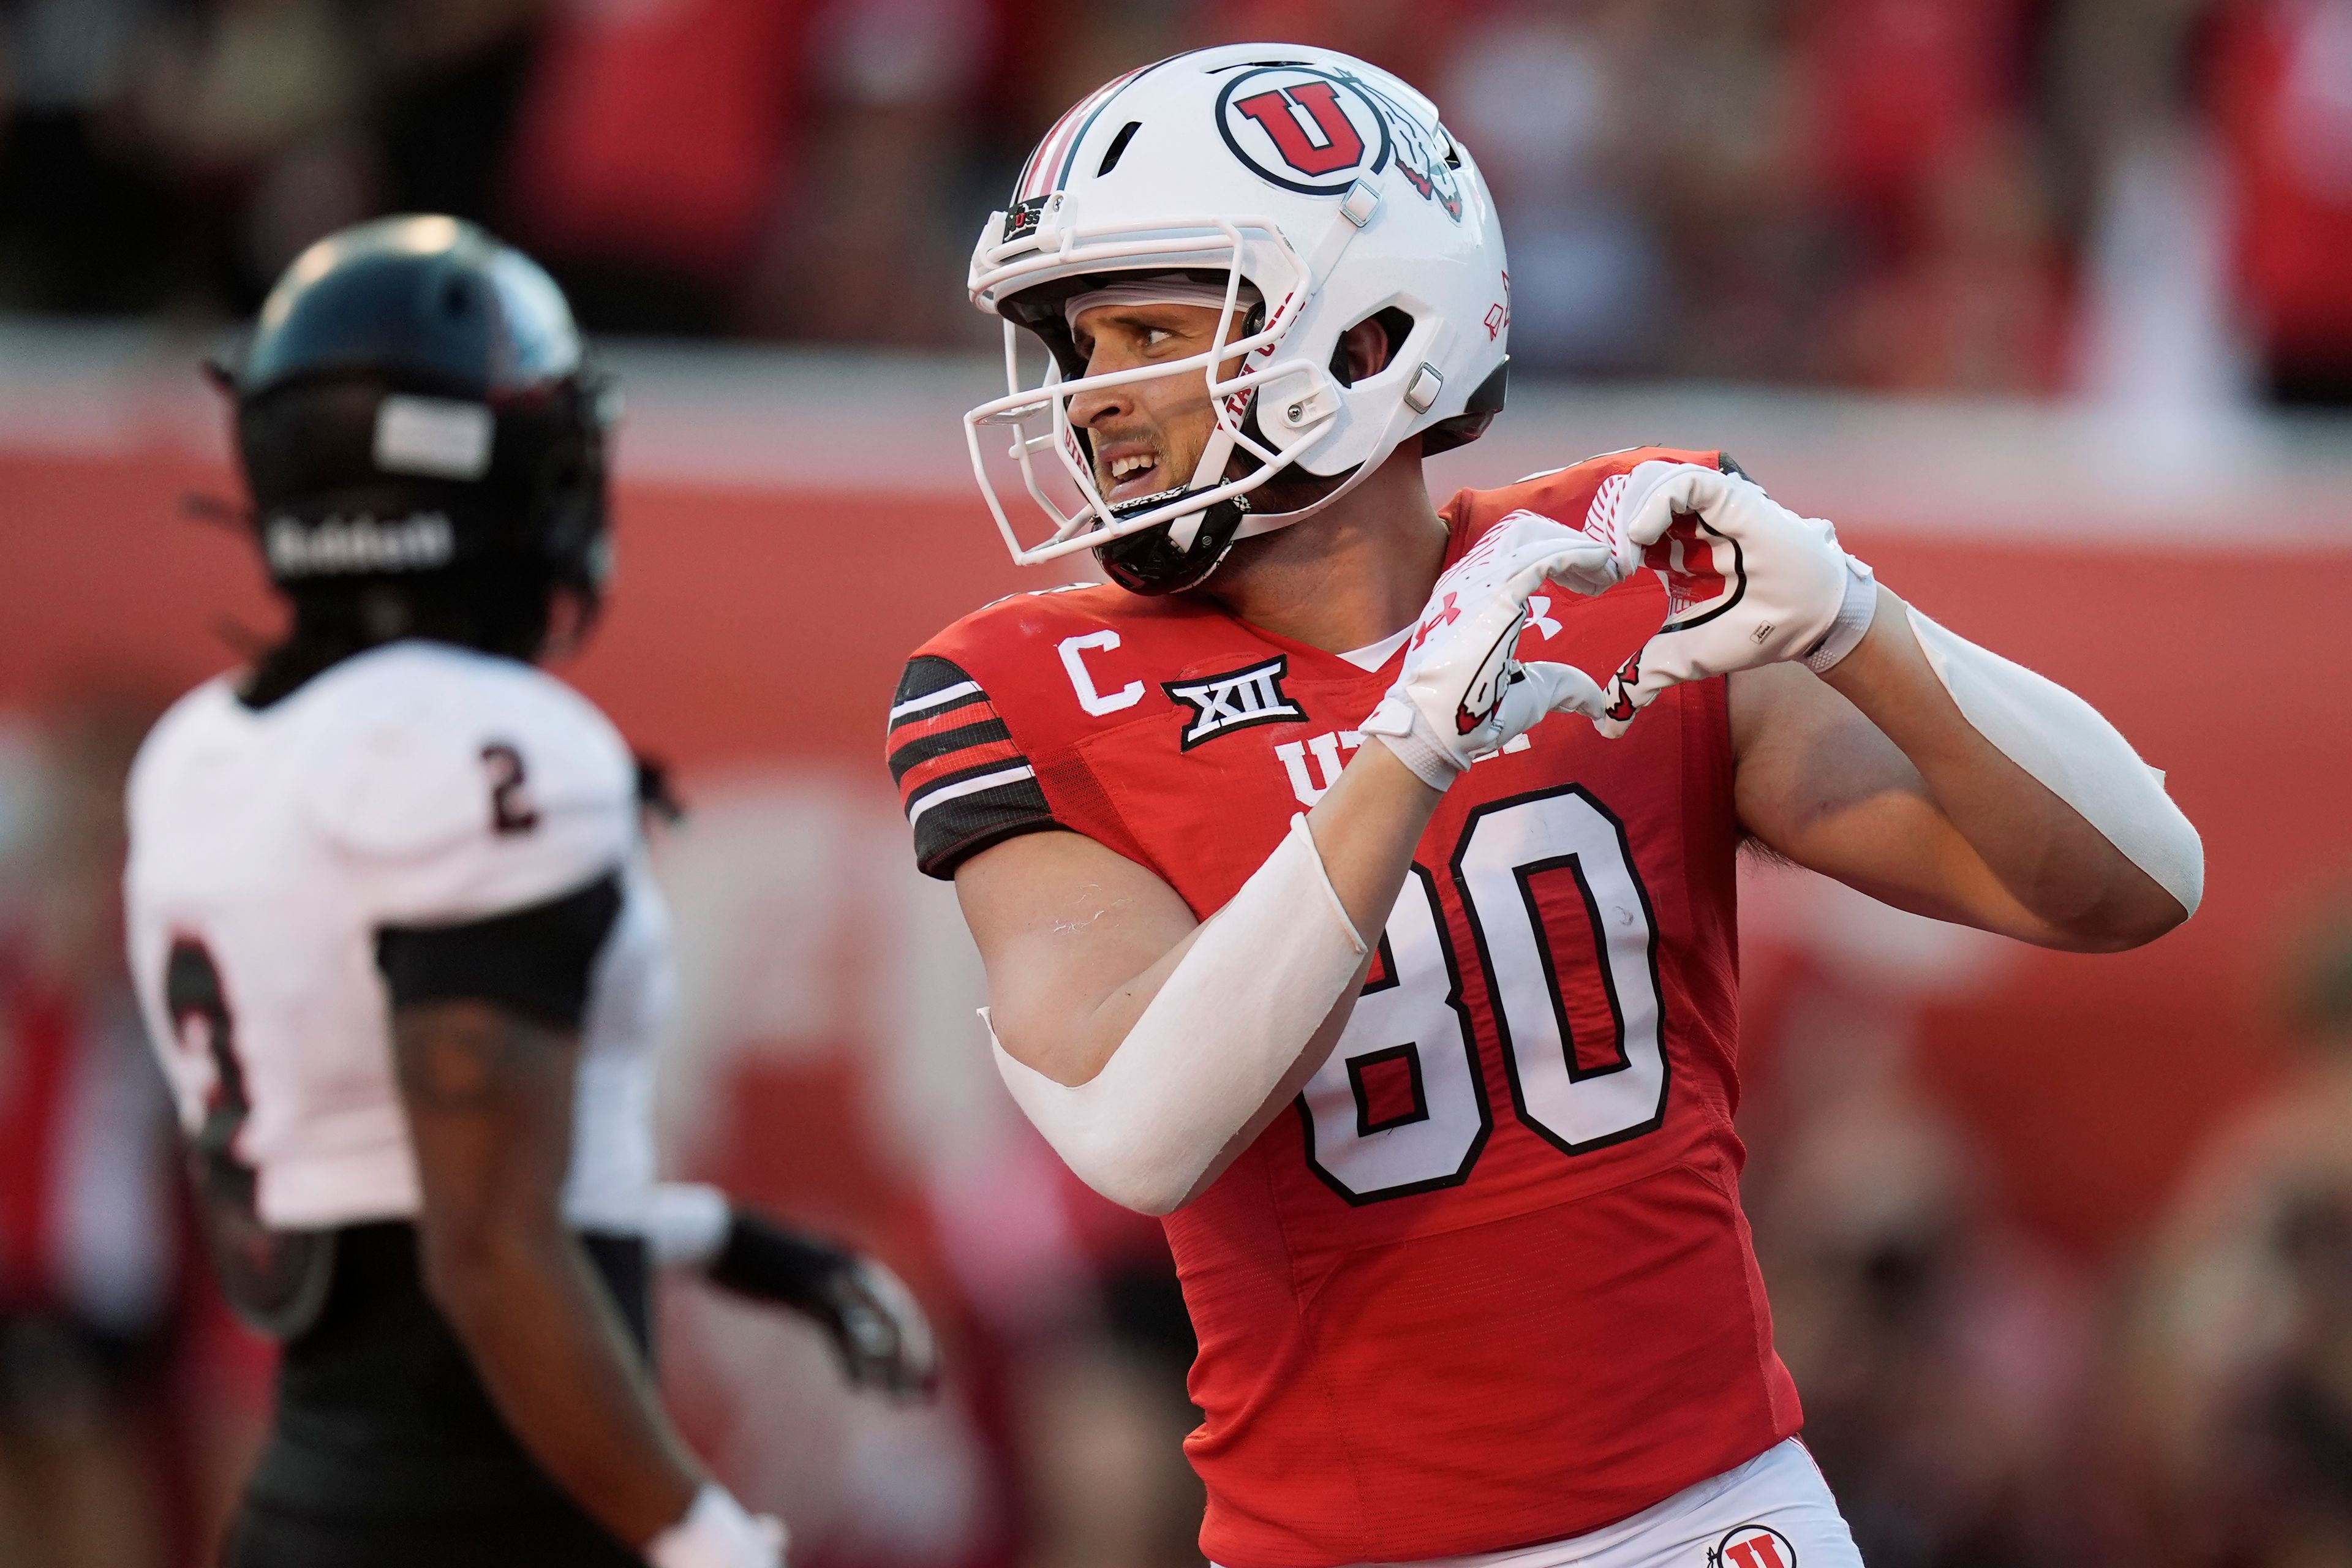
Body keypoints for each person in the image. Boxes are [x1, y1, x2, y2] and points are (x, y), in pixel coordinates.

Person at [888, 44, 2203, 1568]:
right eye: (1080, 344)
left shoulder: (1609, 562)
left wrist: (1858, 618)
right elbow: (1141, 1127)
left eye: (1149, 333)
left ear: (1371, 327)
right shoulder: (1031, 677)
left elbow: (2136, 881)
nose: (1096, 399)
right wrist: (1413, 744)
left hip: (1721, 1517)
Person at [126, 215, 937, 1568]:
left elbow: (365, 1181)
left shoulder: (204, 745)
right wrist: (705, 1537)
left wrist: (719, 1237)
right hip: (490, 1509)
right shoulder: (491, 747)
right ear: (478, 472)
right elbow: (486, 1249)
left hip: (308, 1500)